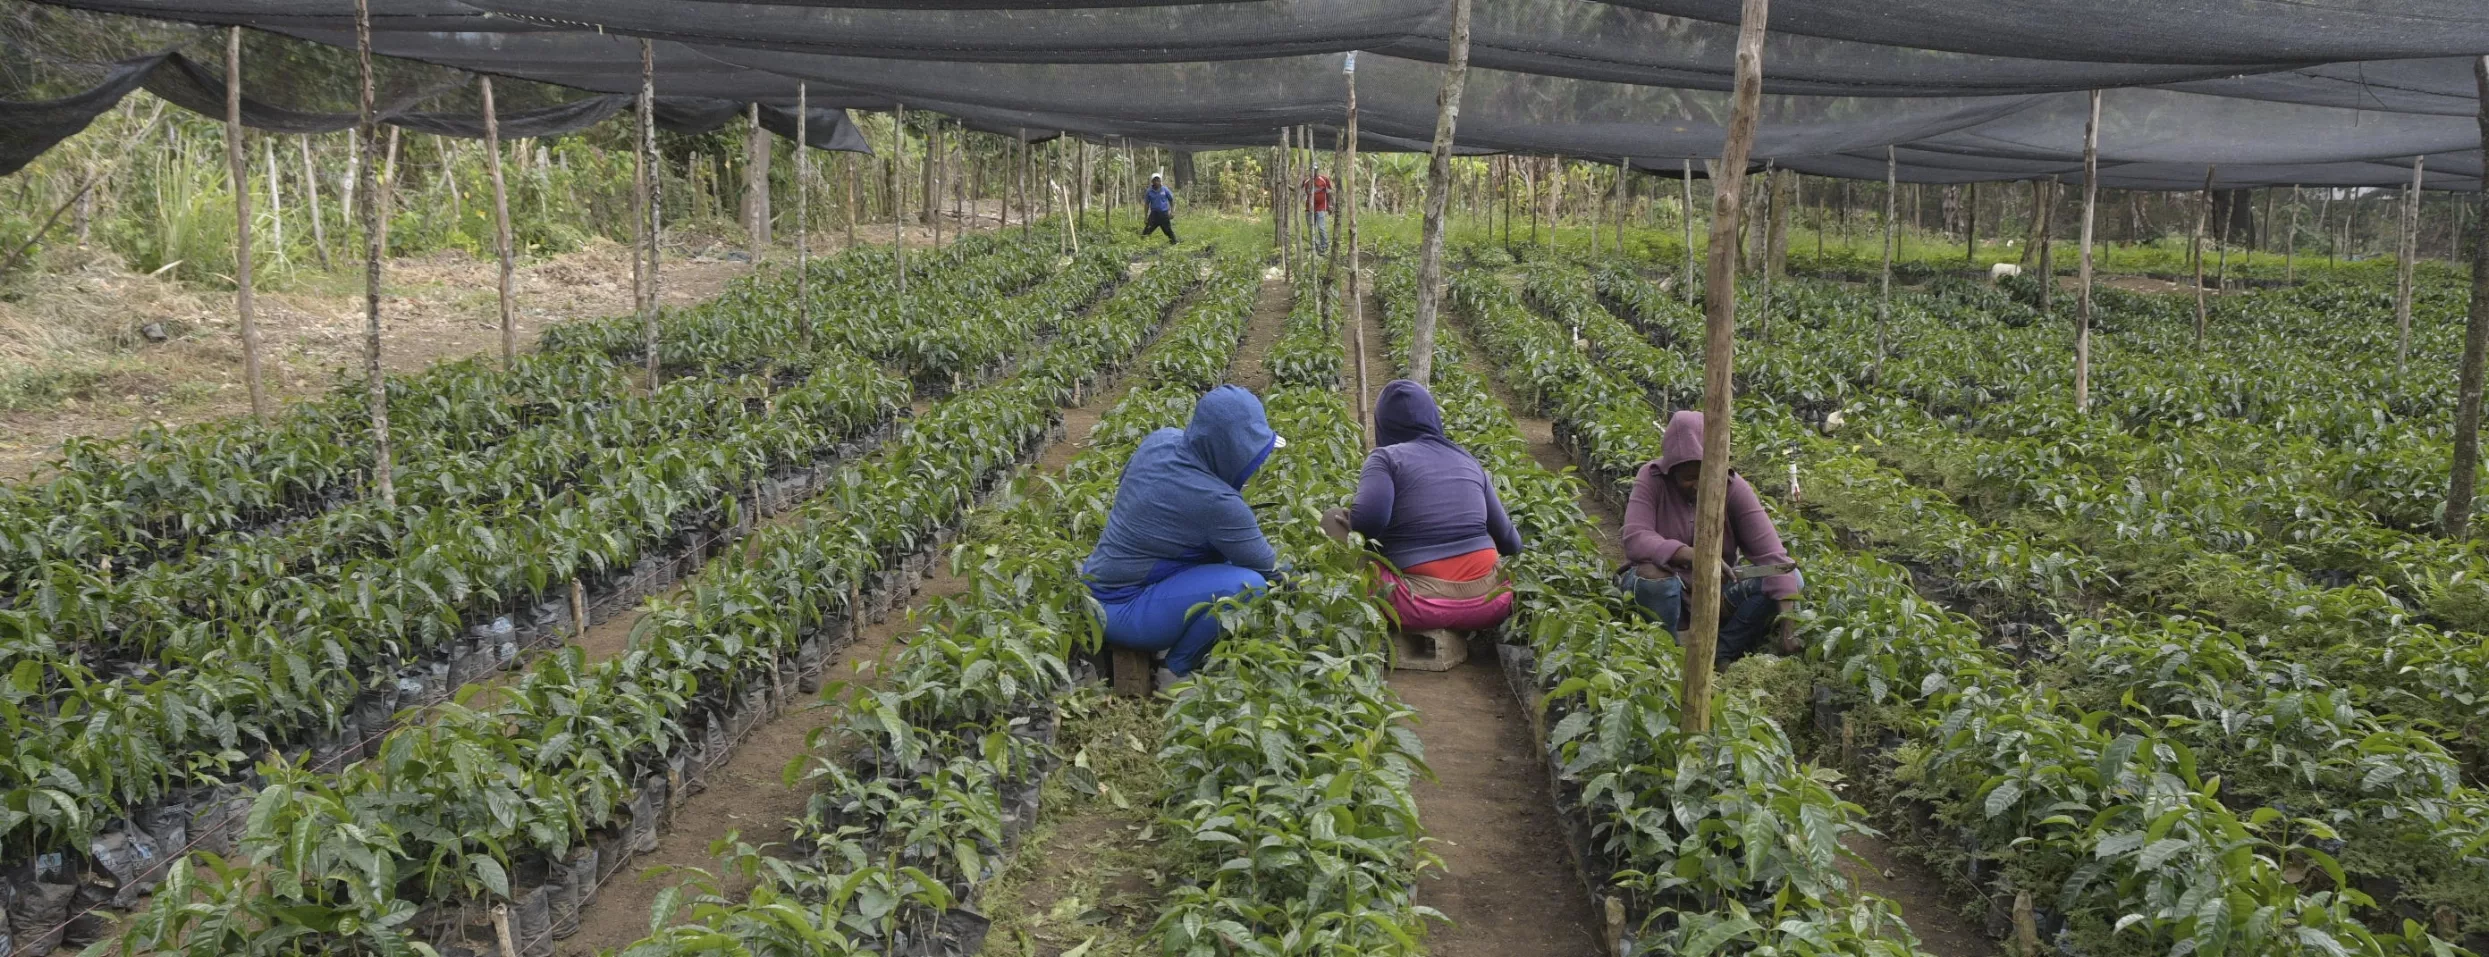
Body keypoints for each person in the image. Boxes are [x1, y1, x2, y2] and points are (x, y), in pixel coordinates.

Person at [1082, 385, 1281, 684]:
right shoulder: (1218, 503)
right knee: (1249, 585)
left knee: (1227, 562)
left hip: (1096, 582)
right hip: (1119, 608)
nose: (1258, 462)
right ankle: (1175, 670)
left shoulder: (1161, 440)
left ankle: (1169, 631)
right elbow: (1270, 569)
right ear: (1232, 450)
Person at [1322, 380, 1522, 632]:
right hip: (1492, 601)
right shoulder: (1468, 460)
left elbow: (1369, 523)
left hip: (1419, 604)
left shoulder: (1386, 458)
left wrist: (1356, 520)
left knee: (1332, 518)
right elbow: (1512, 543)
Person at [1617, 410, 1802, 665]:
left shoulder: (1732, 486)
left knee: (1791, 578)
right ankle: (1667, 657)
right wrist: (1695, 557)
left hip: (1717, 592)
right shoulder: (1651, 478)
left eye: (1703, 476)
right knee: (1654, 579)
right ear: (1671, 471)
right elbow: (1635, 537)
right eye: (1687, 478)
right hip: (1667, 590)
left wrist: (1789, 628)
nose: (1696, 484)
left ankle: (1721, 651)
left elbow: (1773, 556)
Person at [1141, 173, 1178, 244]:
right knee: (1146, 231)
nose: (1157, 182)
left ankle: (1174, 242)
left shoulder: (1165, 189)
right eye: (1155, 180)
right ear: (1152, 182)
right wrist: (1145, 217)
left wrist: (1172, 212)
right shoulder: (1149, 191)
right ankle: (1142, 244)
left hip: (1164, 214)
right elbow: (1146, 204)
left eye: (1158, 180)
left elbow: (1171, 199)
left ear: (1160, 181)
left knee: (1168, 231)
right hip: (1154, 215)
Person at [1303, 170, 1334, 254]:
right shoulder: (1306, 181)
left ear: (1317, 170)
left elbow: (1329, 193)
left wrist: (1330, 205)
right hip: (1309, 208)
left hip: (1321, 207)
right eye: (1312, 170)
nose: (1314, 172)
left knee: (1321, 227)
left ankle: (1324, 246)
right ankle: (1315, 246)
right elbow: (1298, 190)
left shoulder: (1324, 180)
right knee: (1311, 229)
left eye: (1315, 170)